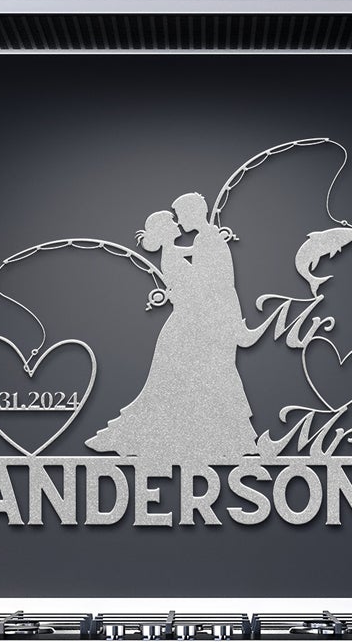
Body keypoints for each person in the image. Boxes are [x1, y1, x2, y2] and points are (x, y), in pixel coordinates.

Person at [85, 193, 258, 463]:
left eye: (179, 215)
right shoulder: (200, 242)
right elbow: (203, 286)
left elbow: (213, 283)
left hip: (198, 325)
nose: (178, 221)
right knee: (194, 381)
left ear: (193, 213)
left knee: (198, 380)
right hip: (192, 327)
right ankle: (209, 442)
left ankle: (201, 442)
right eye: (174, 219)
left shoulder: (200, 242)